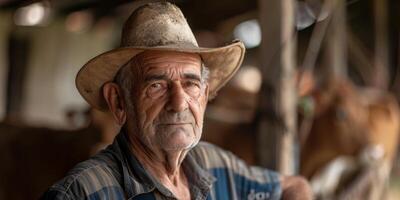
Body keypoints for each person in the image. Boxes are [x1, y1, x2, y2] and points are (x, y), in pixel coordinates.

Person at [41, 2, 312, 200]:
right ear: (119, 102)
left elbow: (294, 187)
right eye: (156, 85)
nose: (179, 103)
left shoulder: (214, 164)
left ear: (205, 97)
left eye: (191, 84)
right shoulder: (84, 193)